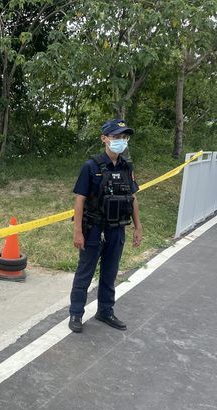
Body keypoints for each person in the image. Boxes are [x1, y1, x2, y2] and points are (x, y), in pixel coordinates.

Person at [68, 118, 143, 333]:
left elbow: (133, 197)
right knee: (85, 272)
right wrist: (78, 232)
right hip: (94, 229)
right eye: (116, 137)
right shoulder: (91, 166)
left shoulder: (127, 167)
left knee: (110, 273)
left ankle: (105, 311)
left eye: (124, 137)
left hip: (116, 228)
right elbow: (80, 200)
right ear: (104, 139)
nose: (121, 141)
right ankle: (76, 313)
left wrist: (138, 226)